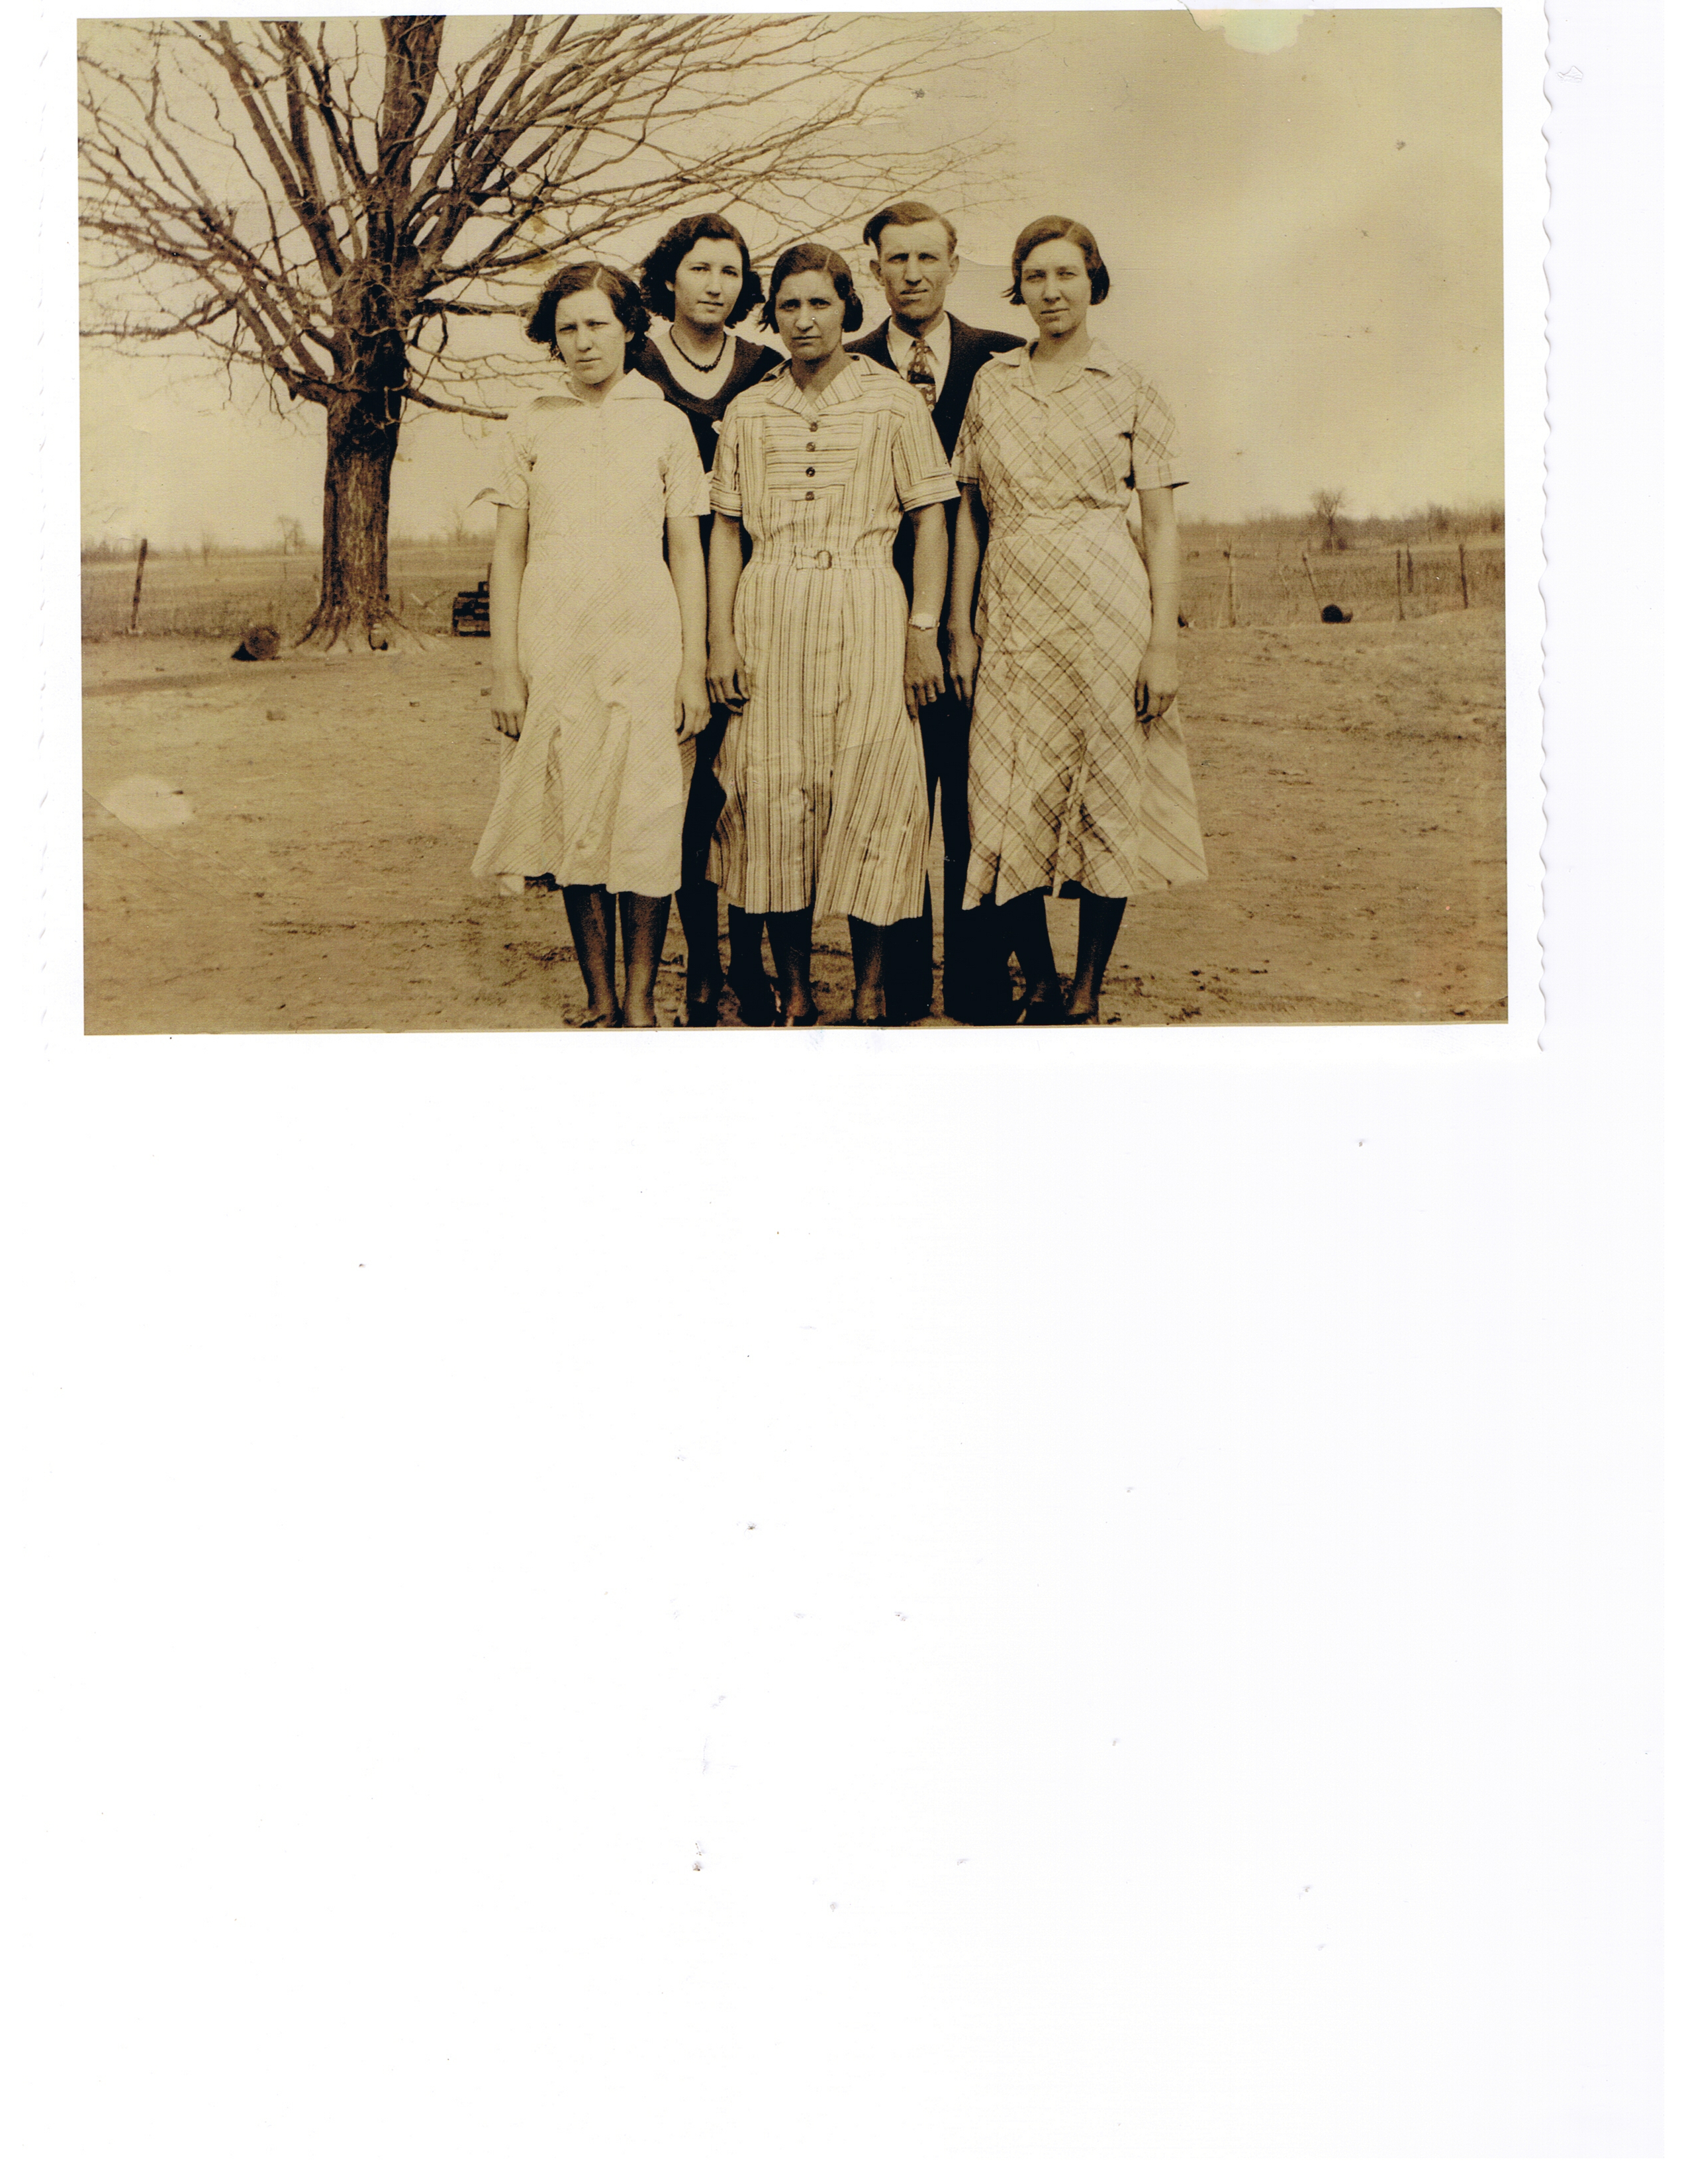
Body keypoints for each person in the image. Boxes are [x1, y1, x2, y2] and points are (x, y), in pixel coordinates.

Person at [947, 216, 1207, 1023]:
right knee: (1004, 792)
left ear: (1094, 281)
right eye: (1035, 277)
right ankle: (1041, 979)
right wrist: (960, 624)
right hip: (1011, 609)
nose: (1051, 292)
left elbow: (1160, 524)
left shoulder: (1131, 384)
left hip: (1107, 607)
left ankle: (1088, 988)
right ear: (1017, 289)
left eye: (1066, 275)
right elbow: (969, 515)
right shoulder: (994, 383)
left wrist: (1162, 642)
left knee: (1107, 790)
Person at [706, 242, 957, 1026]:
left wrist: (923, 629)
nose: (804, 320)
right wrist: (721, 641)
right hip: (770, 607)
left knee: (875, 792)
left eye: (819, 303)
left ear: (849, 307)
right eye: (789, 305)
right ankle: (796, 990)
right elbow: (725, 532)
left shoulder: (893, 402)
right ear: (771, 316)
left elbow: (931, 519)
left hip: (867, 604)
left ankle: (871, 988)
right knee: (775, 795)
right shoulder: (750, 410)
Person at [471, 262, 711, 1026]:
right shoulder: (531, 423)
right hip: (556, 641)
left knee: (646, 815)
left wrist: (694, 666)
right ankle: (601, 1001)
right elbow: (508, 551)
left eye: (597, 324)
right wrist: (506, 670)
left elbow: (687, 550)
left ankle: (640, 1003)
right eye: (567, 328)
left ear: (630, 327)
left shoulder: (666, 423)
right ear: (552, 339)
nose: (583, 342)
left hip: (645, 640)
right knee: (574, 814)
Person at [847, 200, 1023, 1024]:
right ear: (874, 269)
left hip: (988, 618)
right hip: (878, 618)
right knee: (891, 802)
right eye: (896, 259)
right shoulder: (846, 366)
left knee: (978, 800)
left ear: (955, 264)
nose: (912, 274)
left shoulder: (1004, 359)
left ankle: (981, 988)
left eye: (928, 258)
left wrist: (967, 626)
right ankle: (901, 991)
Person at [633, 214, 784, 1024]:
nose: (715, 285)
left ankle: (750, 958)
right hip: (659, 594)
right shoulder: (636, 363)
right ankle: (700, 962)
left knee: (747, 783)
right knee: (684, 789)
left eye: (730, 271)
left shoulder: (766, 368)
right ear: (670, 278)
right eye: (700, 268)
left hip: (753, 589)